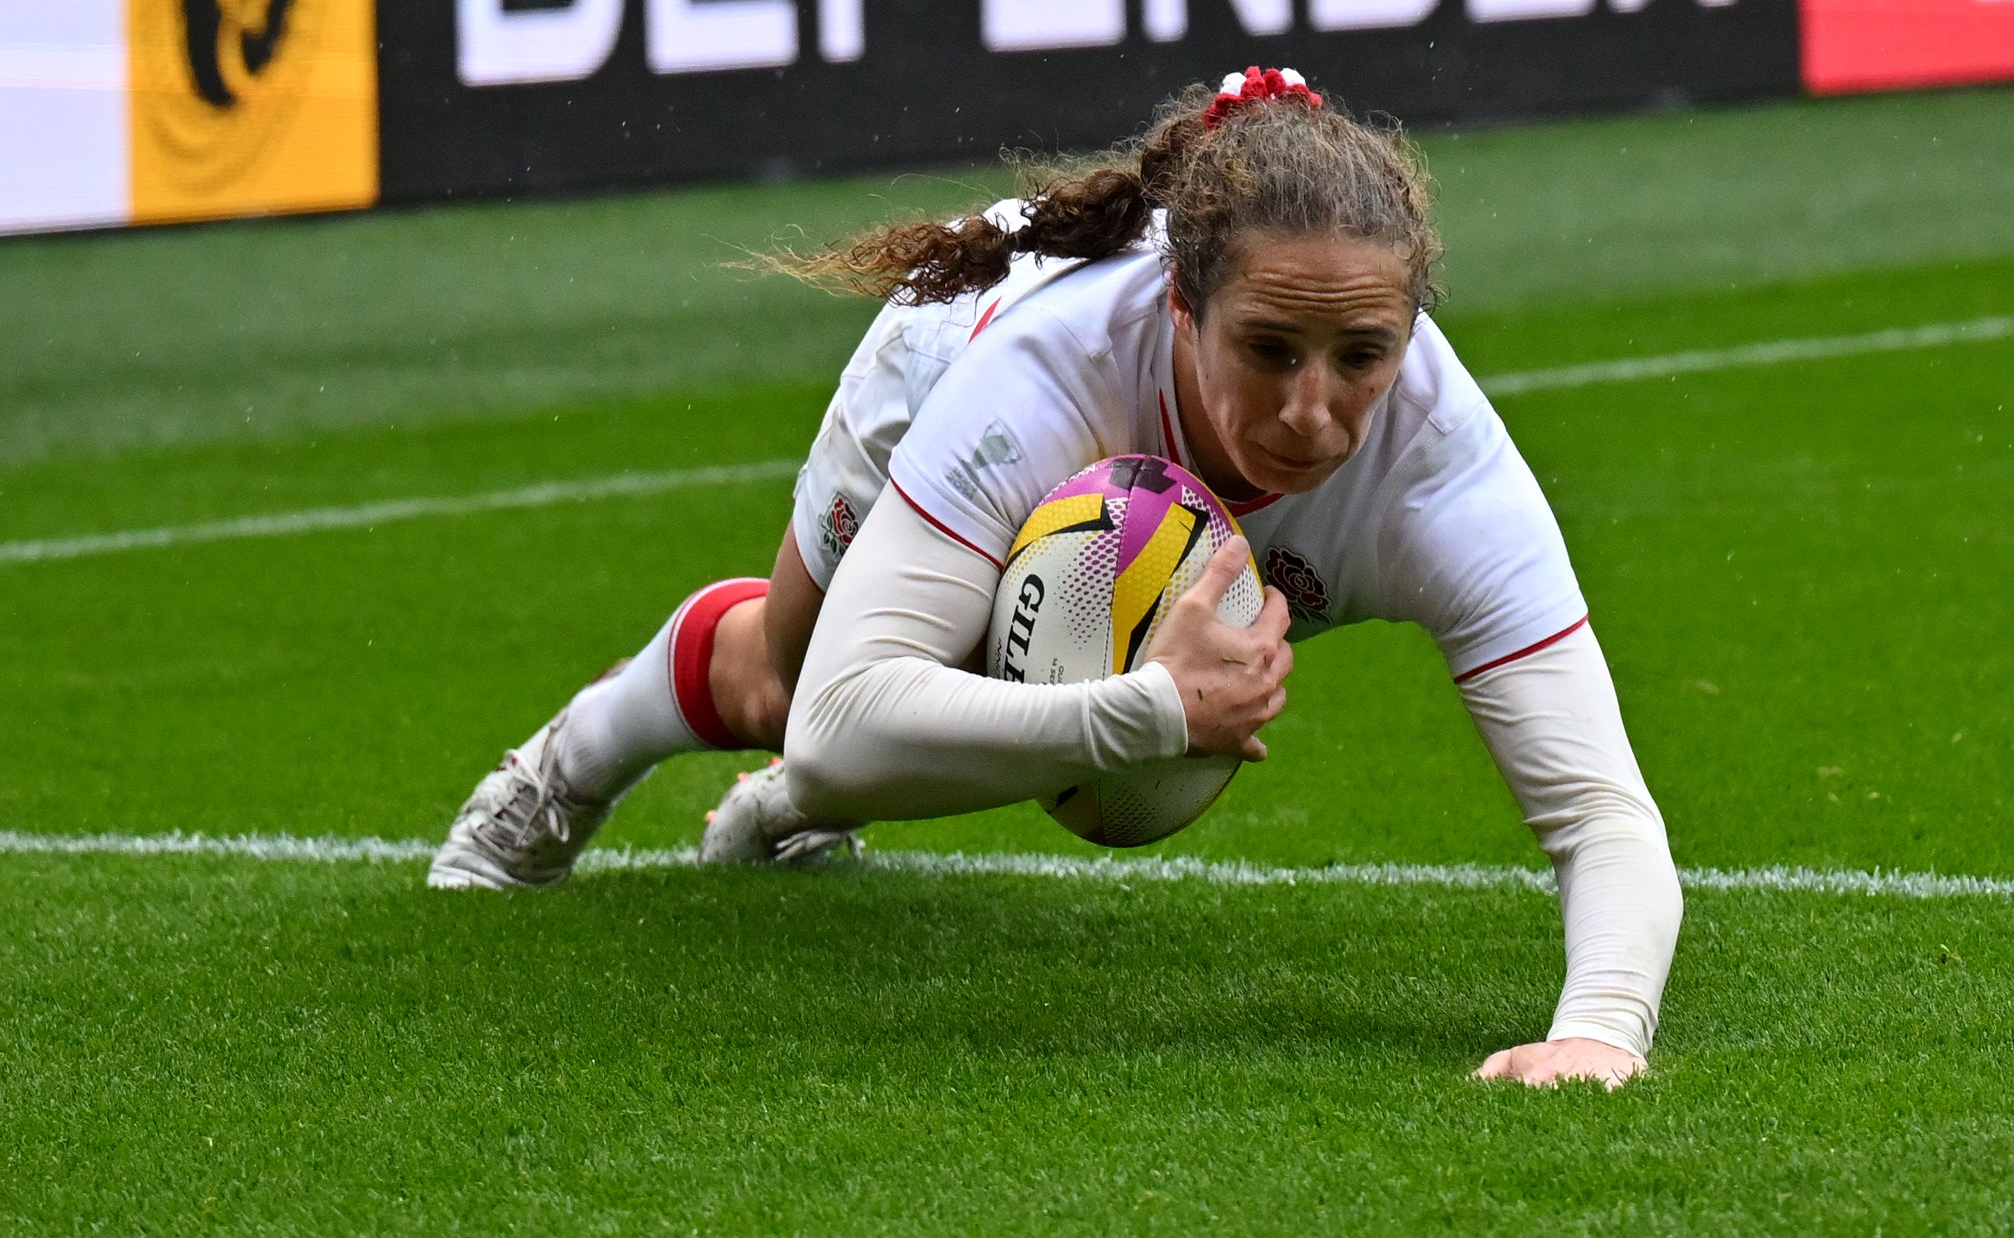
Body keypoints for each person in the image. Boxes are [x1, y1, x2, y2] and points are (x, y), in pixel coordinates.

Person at [428, 67, 1682, 1090]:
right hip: (946, 346)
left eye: (1361, 355)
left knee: (970, 697)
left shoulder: (1442, 469)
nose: (1312, 411)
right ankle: (570, 761)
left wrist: (1599, 1030)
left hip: (1097, 527)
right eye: (1268, 348)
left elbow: (1599, 813)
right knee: (785, 683)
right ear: (1181, 308)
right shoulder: (1044, 368)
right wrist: (1154, 712)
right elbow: (834, 731)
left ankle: (771, 826)